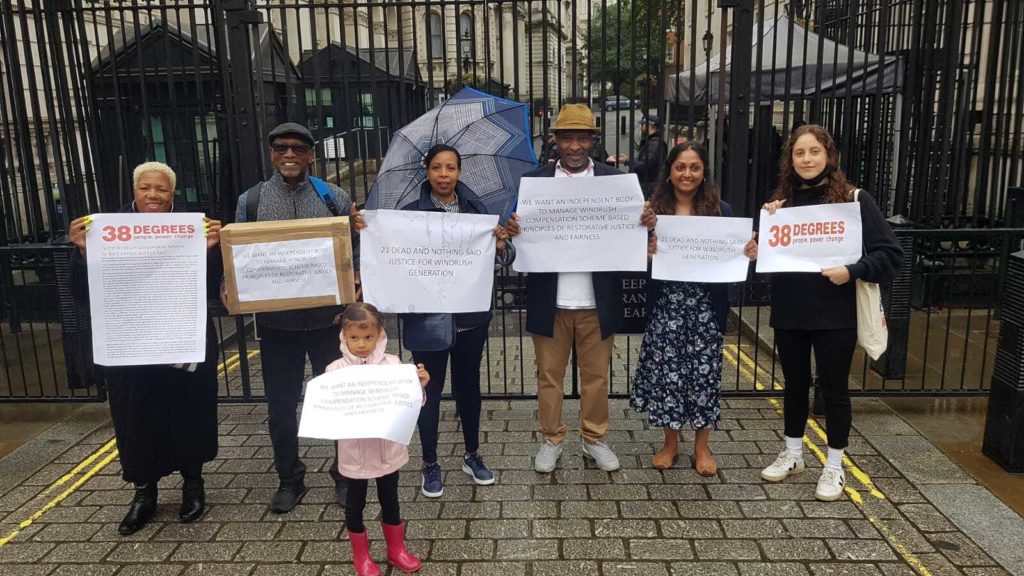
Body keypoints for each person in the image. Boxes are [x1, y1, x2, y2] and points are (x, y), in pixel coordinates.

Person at [68, 161, 223, 535]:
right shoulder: (106, 230)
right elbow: (82, 294)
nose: (153, 195)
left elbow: (213, 288)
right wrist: (83, 253)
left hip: (182, 338)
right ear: (134, 191)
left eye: (162, 189)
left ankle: (193, 484)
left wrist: (211, 251)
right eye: (145, 188)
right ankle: (144, 493)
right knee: (136, 415)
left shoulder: (192, 228)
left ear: (174, 193)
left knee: (189, 408)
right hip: (131, 343)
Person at [758, 124, 902, 501]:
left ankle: (835, 465)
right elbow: (773, 255)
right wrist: (762, 242)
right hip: (791, 311)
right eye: (799, 153)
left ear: (829, 156)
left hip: (835, 314)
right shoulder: (782, 205)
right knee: (794, 386)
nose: (806, 159)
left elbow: (889, 254)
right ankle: (792, 454)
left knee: (834, 390)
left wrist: (852, 271)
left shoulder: (854, 201)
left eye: (814, 152)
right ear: (790, 160)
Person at [514, 103, 657, 474]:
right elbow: (517, 238)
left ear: (593, 141)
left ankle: (594, 438)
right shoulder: (535, 182)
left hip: (597, 300)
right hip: (551, 299)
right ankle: (552, 439)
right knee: (549, 377)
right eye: (567, 138)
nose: (574, 146)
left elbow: (637, 233)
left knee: (596, 377)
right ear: (556, 140)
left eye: (582, 137)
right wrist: (513, 228)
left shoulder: (616, 181)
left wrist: (646, 221)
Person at [230, 122, 364, 513]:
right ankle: (289, 478)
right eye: (281, 148)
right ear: (271, 154)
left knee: (338, 401)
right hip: (278, 326)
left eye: (297, 148)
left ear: (311, 155)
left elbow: (354, 249)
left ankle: (344, 474)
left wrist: (356, 274)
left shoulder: (333, 196)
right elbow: (239, 254)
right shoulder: (251, 201)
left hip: (328, 322)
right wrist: (229, 282)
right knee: (281, 405)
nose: (289, 155)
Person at [396, 144, 519, 498]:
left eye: (451, 168)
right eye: (437, 168)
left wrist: (500, 246)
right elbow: (392, 256)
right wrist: (366, 230)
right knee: (427, 391)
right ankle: (430, 462)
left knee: (468, 387)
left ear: (460, 172)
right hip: (426, 318)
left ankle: (472, 455)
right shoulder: (408, 214)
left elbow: (504, 257)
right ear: (427, 172)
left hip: (469, 317)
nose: (444, 175)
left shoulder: (477, 211)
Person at [632, 142, 757, 473]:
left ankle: (703, 448)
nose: (687, 174)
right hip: (666, 305)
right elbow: (632, 257)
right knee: (667, 377)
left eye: (695, 168)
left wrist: (747, 251)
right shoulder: (652, 212)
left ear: (704, 174)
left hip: (705, 308)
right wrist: (646, 250)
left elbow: (736, 258)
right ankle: (670, 443)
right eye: (680, 167)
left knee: (704, 376)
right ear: (670, 173)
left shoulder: (722, 212)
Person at [328, 303, 427, 576]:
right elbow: (327, 410)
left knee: (391, 500)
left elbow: (409, 403)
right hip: (355, 454)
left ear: (380, 334)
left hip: (387, 452)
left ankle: (396, 550)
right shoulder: (334, 371)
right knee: (354, 504)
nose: (361, 344)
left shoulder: (393, 364)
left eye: (368, 337)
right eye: (354, 338)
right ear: (344, 336)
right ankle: (361, 555)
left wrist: (418, 386)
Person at [612, 114, 668, 199]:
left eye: (643, 123)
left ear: (649, 125)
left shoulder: (654, 144)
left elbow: (645, 164)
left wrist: (627, 161)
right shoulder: (652, 141)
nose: (641, 126)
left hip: (648, 183)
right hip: (648, 182)